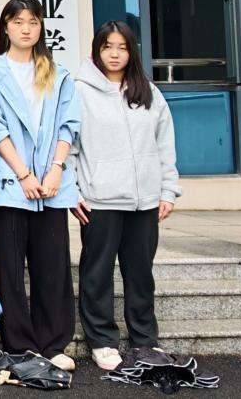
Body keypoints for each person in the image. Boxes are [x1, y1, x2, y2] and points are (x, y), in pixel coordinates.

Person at [0, 0, 82, 372]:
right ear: (5, 27)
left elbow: (69, 125)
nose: (26, 29)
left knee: (53, 265)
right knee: (9, 268)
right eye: (18, 22)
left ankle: (54, 343)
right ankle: (20, 343)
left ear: (41, 27)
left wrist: (55, 170)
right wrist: (23, 173)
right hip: (11, 183)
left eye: (33, 22)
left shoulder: (58, 73)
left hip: (52, 184)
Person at [73, 21, 181, 372]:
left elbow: (164, 145)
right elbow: (70, 145)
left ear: (132, 51)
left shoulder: (148, 91)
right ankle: (102, 341)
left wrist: (167, 190)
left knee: (140, 274)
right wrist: (73, 191)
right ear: (97, 51)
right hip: (100, 200)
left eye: (122, 47)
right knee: (97, 273)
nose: (115, 54)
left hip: (144, 201)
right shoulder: (79, 91)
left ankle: (144, 339)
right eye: (108, 47)